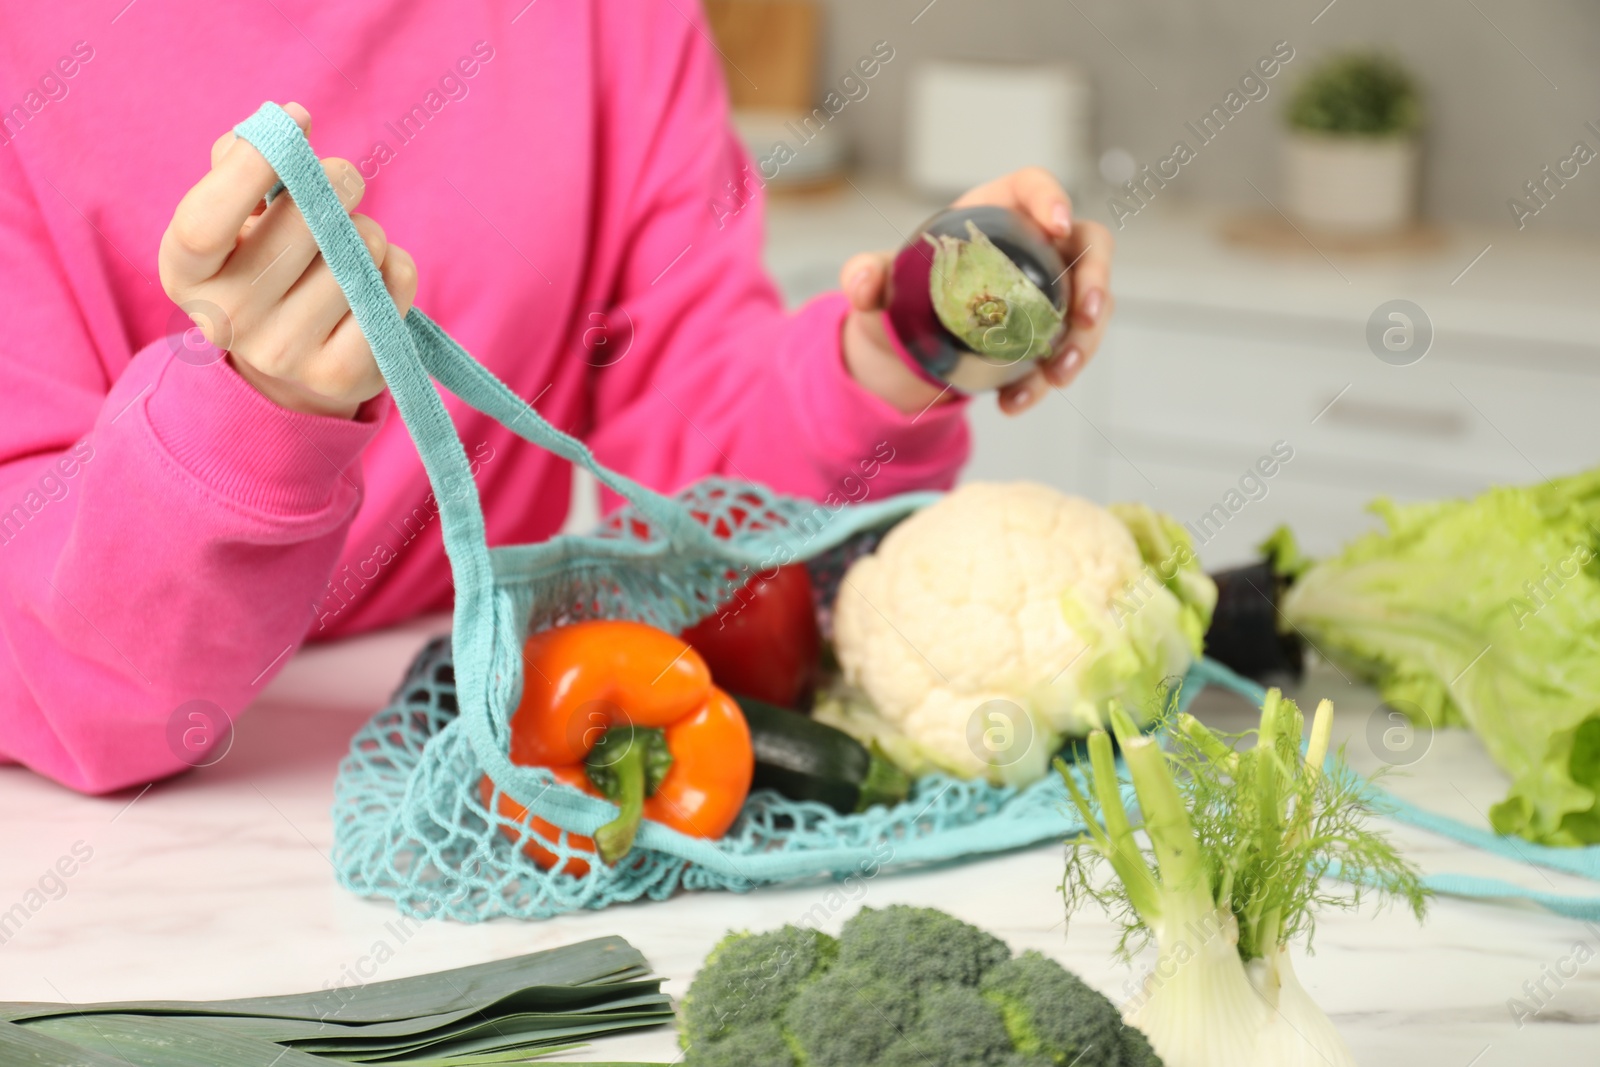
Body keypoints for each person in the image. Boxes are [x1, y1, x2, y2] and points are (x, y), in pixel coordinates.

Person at [0, 2, 1115, 794]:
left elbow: (700, 477)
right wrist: (247, 412)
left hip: (469, 734)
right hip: (94, 840)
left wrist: (885, 354)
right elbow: (43, 667)